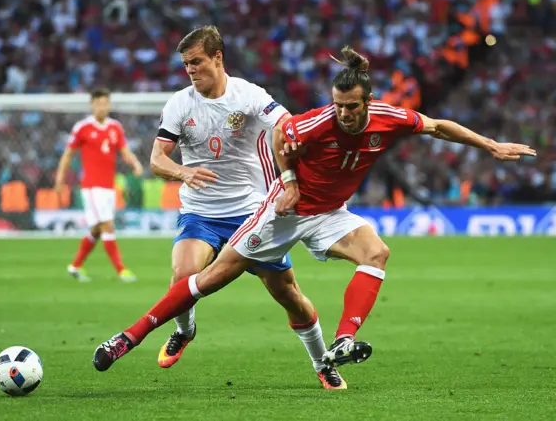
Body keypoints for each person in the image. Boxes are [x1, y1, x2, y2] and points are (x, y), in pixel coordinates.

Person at [92, 46, 535, 382]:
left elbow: (438, 126)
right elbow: (282, 137)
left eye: (351, 107)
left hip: (330, 213)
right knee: (205, 282)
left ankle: (341, 342)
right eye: (337, 105)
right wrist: (287, 182)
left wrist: (491, 146)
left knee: (376, 253)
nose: (342, 114)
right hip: (283, 211)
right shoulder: (318, 122)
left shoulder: (388, 117)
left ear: (368, 102)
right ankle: (129, 336)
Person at [146, 25, 344, 389]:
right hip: (201, 213)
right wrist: (183, 172)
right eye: (186, 64)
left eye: (196, 62)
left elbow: (286, 125)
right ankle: (185, 330)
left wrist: (297, 163)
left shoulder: (249, 96)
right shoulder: (179, 103)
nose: (190, 70)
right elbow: (157, 160)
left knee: (289, 296)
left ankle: (323, 362)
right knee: (181, 276)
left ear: (218, 58)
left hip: (252, 213)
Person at [55, 88, 144, 283]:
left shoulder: (115, 127)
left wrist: (135, 164)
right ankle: (121, 270)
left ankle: (75, 266)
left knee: (96, 228)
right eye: (99, 103)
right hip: (91, 187)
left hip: (108, 187)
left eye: (105, 103)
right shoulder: (82, 127)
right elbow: (68, 154)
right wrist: (60, 179)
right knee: (107, 224)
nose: (102, 107)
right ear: (92, 105)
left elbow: (124, 150)